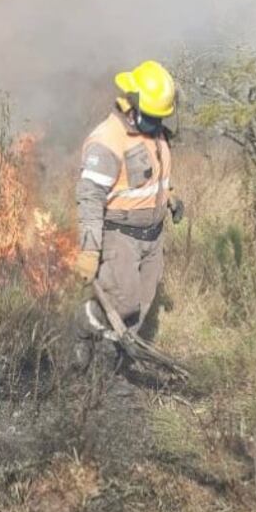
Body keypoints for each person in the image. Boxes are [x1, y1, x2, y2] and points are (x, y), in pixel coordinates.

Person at [73, 60, 184, 374]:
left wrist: (169, 196)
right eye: (151, 116)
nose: (157, 122)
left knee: (140, 309)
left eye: (160, 116)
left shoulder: (154, 130)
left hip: (153, 236)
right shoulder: (107, 140)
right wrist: (90, 250)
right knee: (124, 303)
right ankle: (84, 325)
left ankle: (112, 366)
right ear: (130, 104)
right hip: (120, 236)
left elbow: (153, 174)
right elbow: (90, 198)